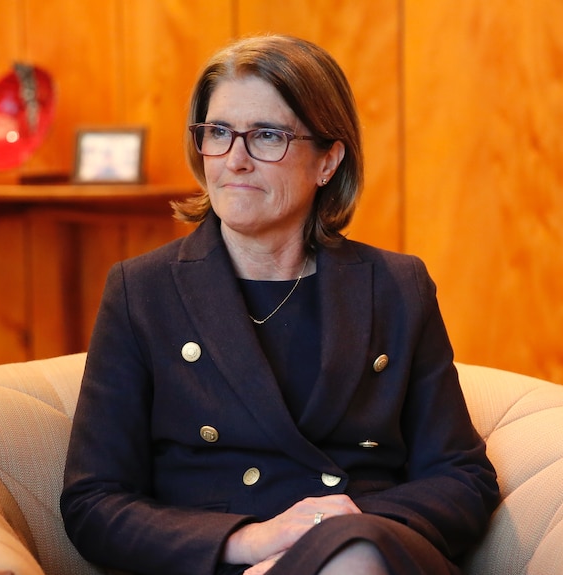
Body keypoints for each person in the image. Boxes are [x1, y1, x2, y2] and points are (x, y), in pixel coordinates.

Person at [61, 34, 499, 575]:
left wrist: (332, 533)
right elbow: (94, 502)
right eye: (218, 133)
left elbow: (463, 477)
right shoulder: (141, 291)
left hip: (370, 554)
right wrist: (249, 541)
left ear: (327, 161)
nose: (236, 160)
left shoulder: (396, 286)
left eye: (267, 136)